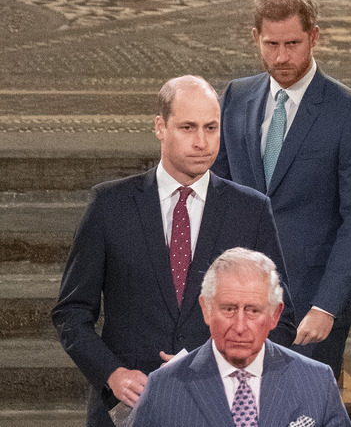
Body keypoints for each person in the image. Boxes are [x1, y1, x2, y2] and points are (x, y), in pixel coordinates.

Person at [51, 75, 296, 427]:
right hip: (125, 407)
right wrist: (113, 374)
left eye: (211, 128)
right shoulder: (110, 205)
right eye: (188, 128)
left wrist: (218, 365)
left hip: (220, 407)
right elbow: (72, 313)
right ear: (160, 127)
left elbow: (281, 320)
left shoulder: (251, 211)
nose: (201, 142)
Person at [212, 0, 351, 377]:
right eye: (271, 44)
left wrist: (327, 306)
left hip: (312, 310)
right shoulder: (236, 97)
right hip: (241, 305)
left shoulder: (350, 113)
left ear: (314, 37)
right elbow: (217, 196)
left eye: (293, 44)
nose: (282, 56)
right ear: (255, 37)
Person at [131, 247, 351, 427]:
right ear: (206, 309)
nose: (239, 326)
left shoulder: (316, 381)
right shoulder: (164, 386)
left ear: (275, 315)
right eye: (228, 309)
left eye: (253, 311)